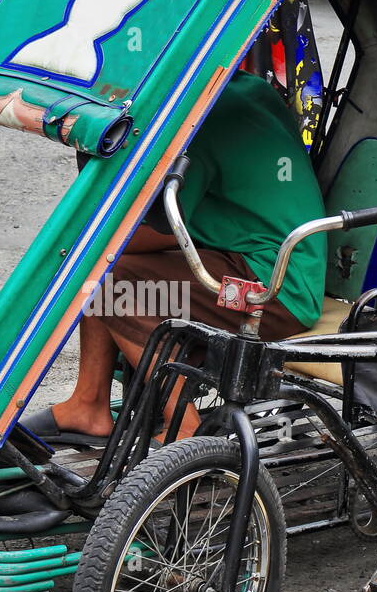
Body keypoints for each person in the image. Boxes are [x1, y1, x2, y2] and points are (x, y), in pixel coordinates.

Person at [24, 63, 327, 446]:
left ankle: (185, 427)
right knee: (105, 270)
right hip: (260, 260)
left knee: (109, 284)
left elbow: (160, 225)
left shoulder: (205, 115)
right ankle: (89, 403)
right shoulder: (245, 87)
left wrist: (75, 245)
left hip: (273, 290)